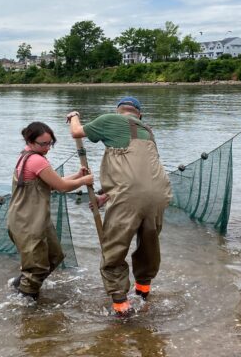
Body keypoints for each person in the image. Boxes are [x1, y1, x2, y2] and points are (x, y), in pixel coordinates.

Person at [67, 96, 172, 316]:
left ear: (118, 111)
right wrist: (106, 195)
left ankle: (120, 303)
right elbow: (140, 169)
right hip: (160, 194)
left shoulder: (111, 120)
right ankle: (143, 291)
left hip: (130, 195)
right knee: (149, 244)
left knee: (113, 247)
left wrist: (74, 116)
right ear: (139, 114)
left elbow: (76, 132)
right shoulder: (148, 131)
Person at [7, 121, 94, 300]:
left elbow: (52, 184)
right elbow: (61, 186)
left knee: (54, 256)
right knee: (37, 267)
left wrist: (77, 176)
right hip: (27, 222)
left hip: (36, 220)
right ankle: (26, 305)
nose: (47, 148)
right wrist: (85, 181)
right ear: (30, 141)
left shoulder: (29, 156)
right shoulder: (35, 160)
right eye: (43, 144)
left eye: (50, 143)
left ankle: (19, 284)